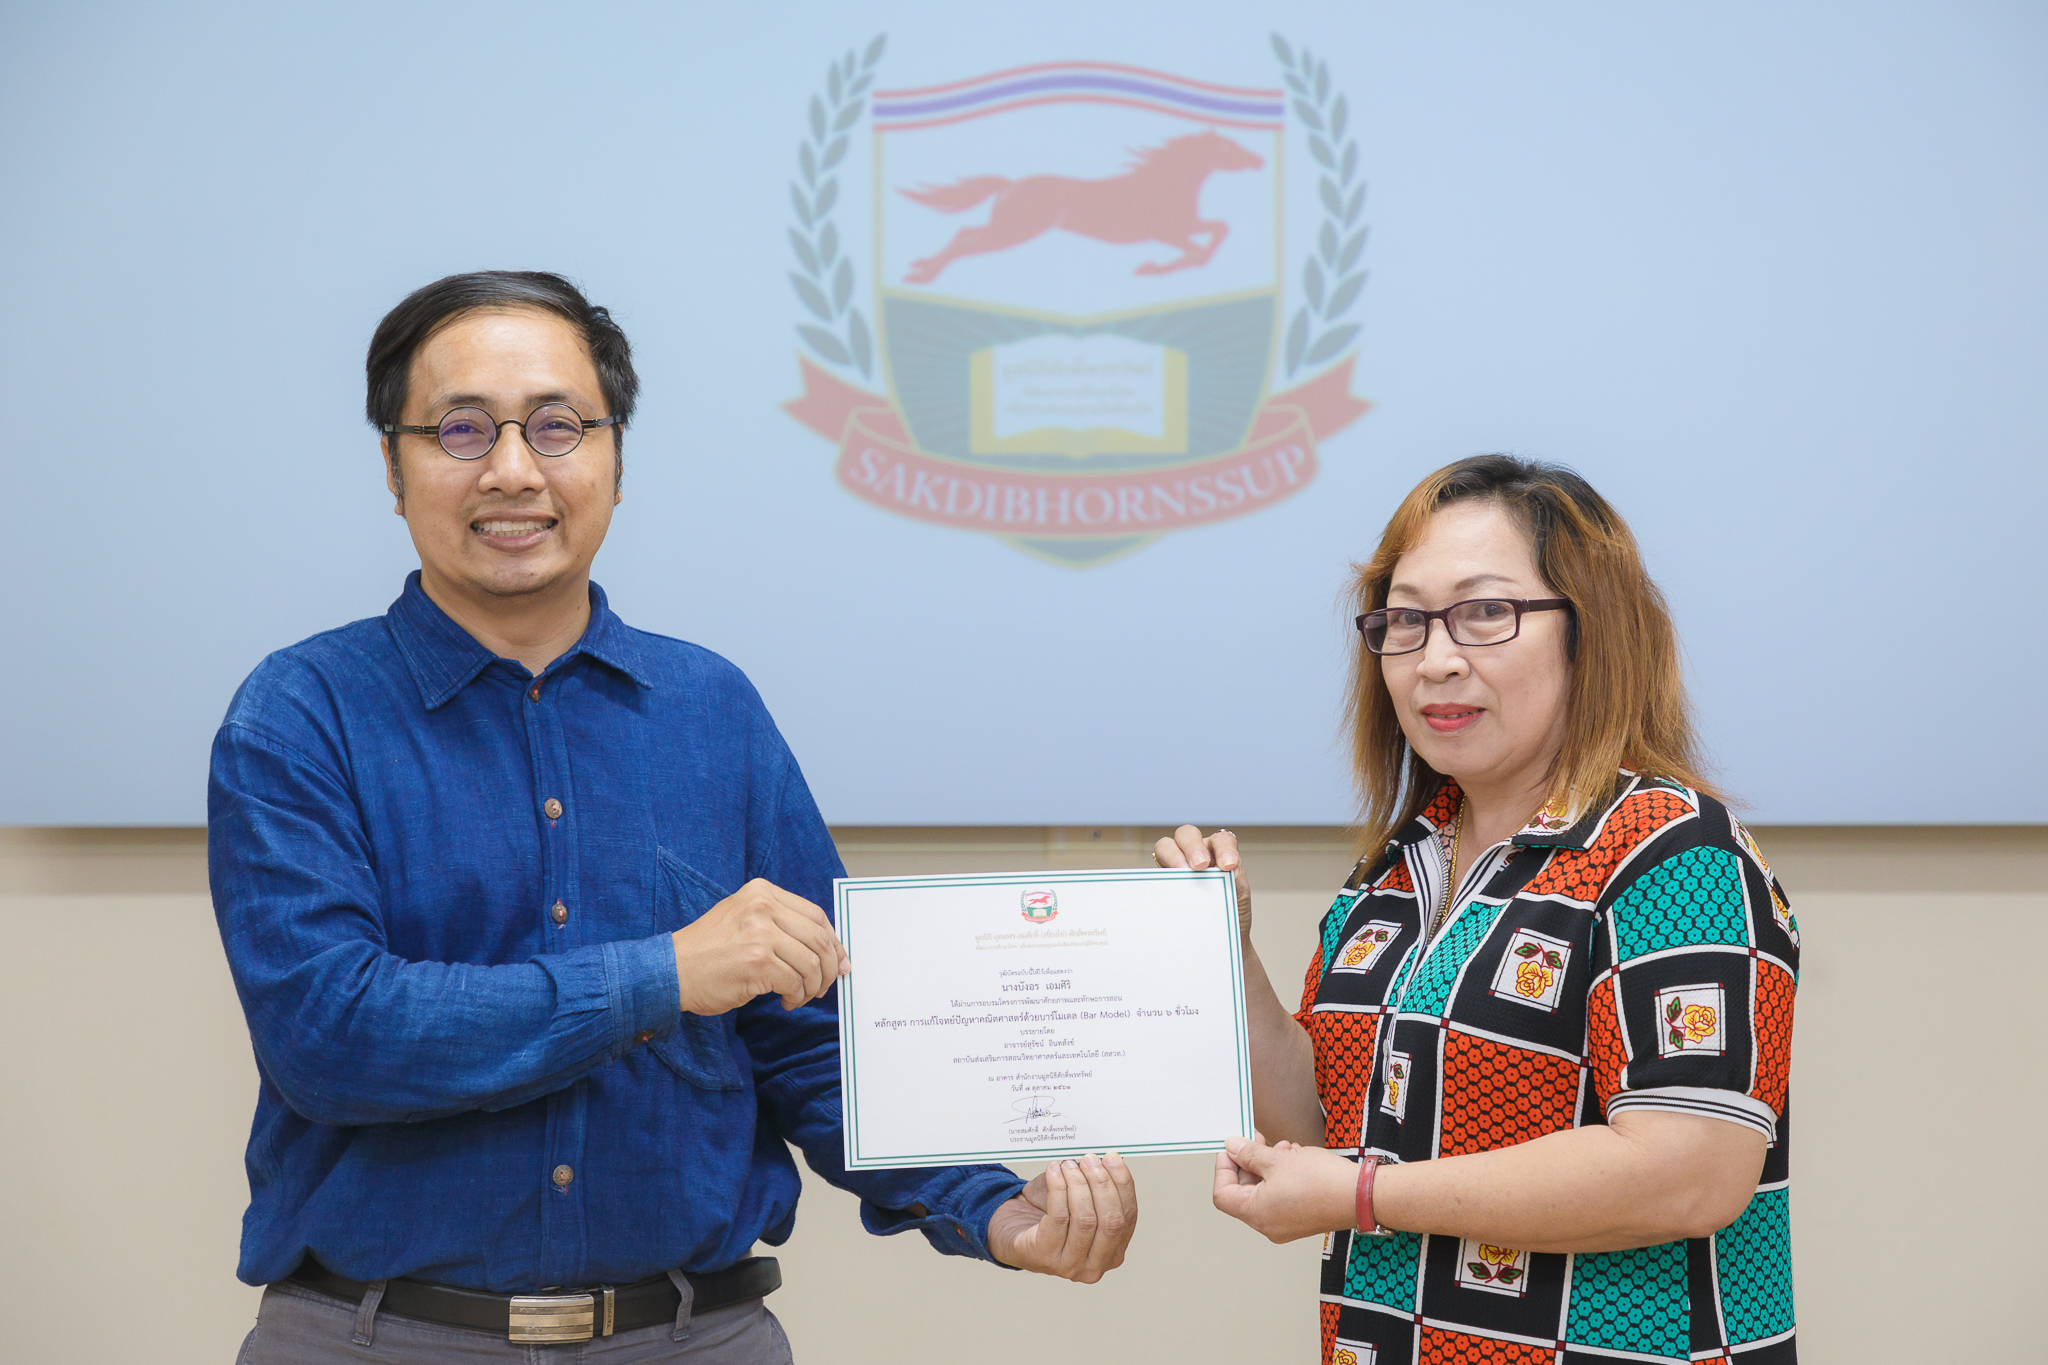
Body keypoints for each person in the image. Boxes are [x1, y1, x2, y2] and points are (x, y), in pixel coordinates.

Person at [209, 271, 1138, 1362]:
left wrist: (990, 1206)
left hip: (694, 1336)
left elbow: (815, 1039)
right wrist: (662, 975)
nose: (513, 470)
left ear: (615, 456)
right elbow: (330, 1033)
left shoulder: (712, 710)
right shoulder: (300, 713)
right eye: (461, 429)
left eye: (557, 426)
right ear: (392, 465)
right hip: (379, 1337)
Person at [1157, 456, 1798, 1364]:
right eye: (1406, 620)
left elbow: (1689, 1171)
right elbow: (1325, 1130)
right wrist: (1231, 953)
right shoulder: (1395, 867)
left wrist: (1365, 1195)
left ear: (1591, 631)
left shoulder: (1673, 850)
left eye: (1487, 611)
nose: (1436, 659)